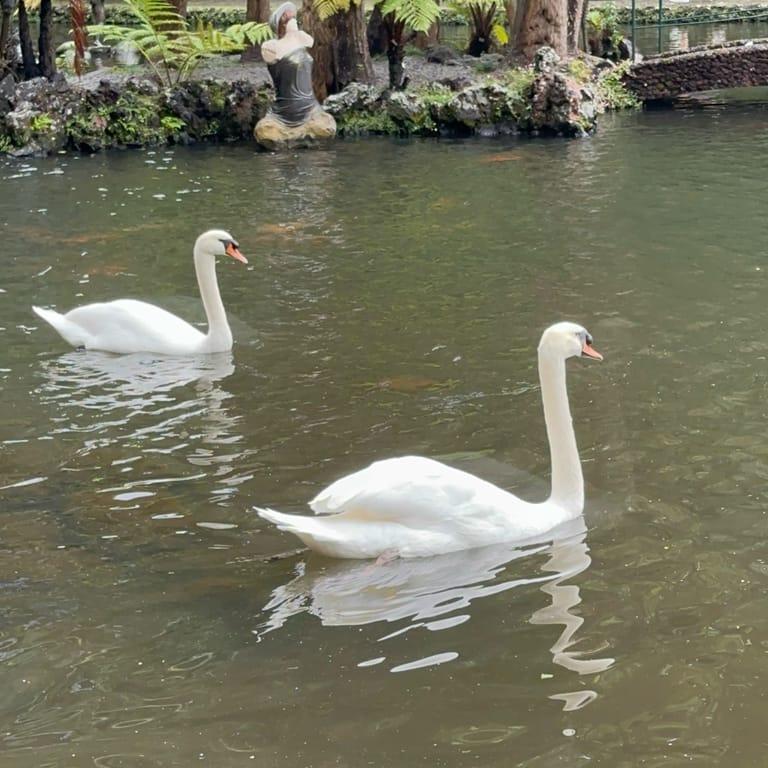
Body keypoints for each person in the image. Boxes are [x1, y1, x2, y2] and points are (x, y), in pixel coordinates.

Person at [254, 2, 336, 149]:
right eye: (286, 15)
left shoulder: (304, 39)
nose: (292, 17)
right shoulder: (271, 47)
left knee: (326, 128)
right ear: (280, 22)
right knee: (265, 133)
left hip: (310, 111)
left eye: (292, 14)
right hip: (281, 116)